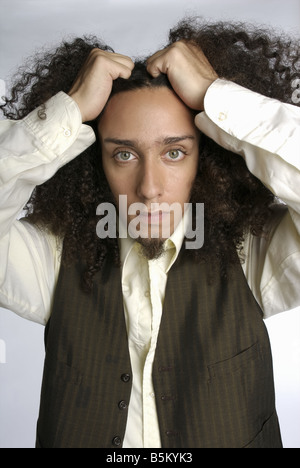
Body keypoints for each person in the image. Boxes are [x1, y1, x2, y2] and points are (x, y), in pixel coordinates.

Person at [0, 18, 299, 448]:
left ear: (208, 156)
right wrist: (66, 114)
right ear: (92, 161)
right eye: (124, 154)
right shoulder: (51, 255)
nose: (149, 187)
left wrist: (217, 98)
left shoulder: (252, 251)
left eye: (174, 152)